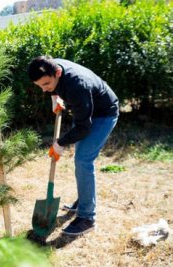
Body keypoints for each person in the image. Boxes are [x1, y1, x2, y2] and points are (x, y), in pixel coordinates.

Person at [28, 56, 119, 237]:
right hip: (89, 110)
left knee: (83, 160)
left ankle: (87, 218)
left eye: (46, 84)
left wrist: (60, 143)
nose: (44, 90)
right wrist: (56, 97)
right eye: (40, 86)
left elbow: (84, 128)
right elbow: (54, 86)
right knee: (81, 157)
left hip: (104, 114)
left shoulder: (77, 86)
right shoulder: (51, 66)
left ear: (58, 73)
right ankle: (85, 200)